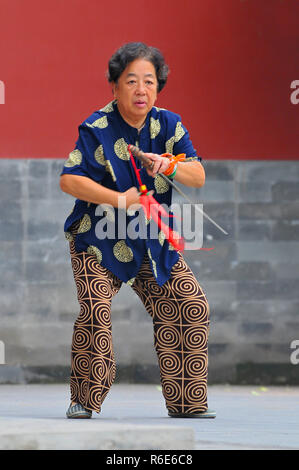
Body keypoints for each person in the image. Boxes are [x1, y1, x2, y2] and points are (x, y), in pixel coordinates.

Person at [60, 42, 215, 419]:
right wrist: (120, 199)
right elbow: (69, 180)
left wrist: (169, 166)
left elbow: (198, 175)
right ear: (114, 86)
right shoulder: (96, 127)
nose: (141, 89)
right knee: (95, 308)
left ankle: (186, 403)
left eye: (149, 81)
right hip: (97, 241)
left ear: (158, 87)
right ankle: (84, 398)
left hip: (152, 240)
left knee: (190, 305)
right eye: (131, 81)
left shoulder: (170, 125)